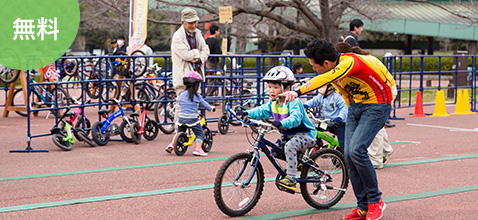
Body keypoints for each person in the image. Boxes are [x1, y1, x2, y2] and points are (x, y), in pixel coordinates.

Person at [281, 40, 395, 220]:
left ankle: (376, 201)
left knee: (357, 150)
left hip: (378, 104)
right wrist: (353, 115)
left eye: (314, 66)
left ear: (326, 63)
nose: (314, 70)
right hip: (356, 106)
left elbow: (323, 79)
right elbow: (345, 93)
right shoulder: (334, 73)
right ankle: (363, 206)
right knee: (348, 155)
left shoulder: (348, 62)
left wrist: (298, 91)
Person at [236, 66, 317, 192]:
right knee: (275, 151)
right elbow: (262, 110)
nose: (271, 91)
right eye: (269, 87)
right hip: (289, 135)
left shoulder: (293, 101)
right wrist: (247, 113)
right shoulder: (274, 102)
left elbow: (296, 117)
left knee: (289, 147)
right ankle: (297, 164)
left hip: (306, 134)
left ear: (287, 88)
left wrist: (281, 122)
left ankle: (291, 179)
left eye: (275, 87)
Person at [335, 42, 395, 169]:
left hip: (384, 89)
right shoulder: (358, 59)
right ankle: (385, 149)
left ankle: (375, 158)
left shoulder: (357, 63)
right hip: (381, 89)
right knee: (375, 124)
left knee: (373, 124)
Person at [171, 8, 210, 122]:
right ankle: (179, 131)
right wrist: (198, 53)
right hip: (183, 76)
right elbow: (186, 55)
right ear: (182, 22)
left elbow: (206, 49)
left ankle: (192, 129)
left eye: (195, 22)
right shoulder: (178, 36)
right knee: (182, 103)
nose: (194, 25)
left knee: (195, 103)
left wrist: (199, 58)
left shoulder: (198, 33)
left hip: (196, 74)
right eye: (190, 23)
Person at [165, 71, 215, 156]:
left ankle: (172, 144)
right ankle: (197, 149)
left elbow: (181, 104)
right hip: (192, 119)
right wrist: (211, 108)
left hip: (181, 118)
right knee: (199, 134)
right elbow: (204, 104)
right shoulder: (197, 95)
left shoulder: (182, 94)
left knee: (179, 132)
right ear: (196, 85)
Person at [303, 84, 348, 154]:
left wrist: (340, 117)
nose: (319, 89)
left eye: (322, 87)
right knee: (313, 129)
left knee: (343, 144)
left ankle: (346, 160)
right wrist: (306, 105)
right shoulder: (320, 96)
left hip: (339, 124)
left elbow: (344, 108)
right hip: (327, 122)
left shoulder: (337, 97)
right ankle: (318, 144)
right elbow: (313, 101)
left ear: (330, 88)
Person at [205, 24, 232, 97]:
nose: (219, 33)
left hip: (207, 62)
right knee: (215, 80)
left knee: (211, 80)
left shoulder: (206, 40)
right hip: (213, 63)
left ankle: (209, 96)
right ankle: (209, 96)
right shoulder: (215, 41)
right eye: (218, 31)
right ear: (215, 31)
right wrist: (226, 53)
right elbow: (218, 52)